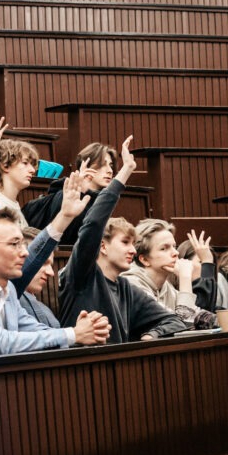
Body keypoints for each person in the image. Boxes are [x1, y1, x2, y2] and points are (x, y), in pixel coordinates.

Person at [0, 175, 111, 359]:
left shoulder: (8, 293)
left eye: (23, 244)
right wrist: (73, 334)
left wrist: (81, 332)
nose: (24, 252)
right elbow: (3, 342)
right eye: (15, 244)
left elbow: (39, 332)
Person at [57, 136, 186, 342]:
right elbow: (94, 224)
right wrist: (126, 171)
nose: (133, 251)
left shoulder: (126, 288)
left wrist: (152, 334)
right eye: (125, 242)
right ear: (103, 246)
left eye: (133, 244)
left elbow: (174, 320)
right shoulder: (82, 275)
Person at [123, 220, 228, 334]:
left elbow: (199, 317)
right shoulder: (132, 284)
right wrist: (185, 278)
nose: (175, 253)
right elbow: (183, 323)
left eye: (174, 246)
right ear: (144, 259)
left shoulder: (166, 288)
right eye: (164, 248)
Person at [23, 142, 116, 245]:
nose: (110, 170)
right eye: (102, 164)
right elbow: (66, 237)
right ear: (86, 166)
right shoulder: (64, 196)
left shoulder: (101, 201)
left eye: (111, 165)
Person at [0, 139, 39, 229]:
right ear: (5, 166)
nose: (32, 170)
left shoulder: (13, 204)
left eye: (32, 165)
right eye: (25, 163)